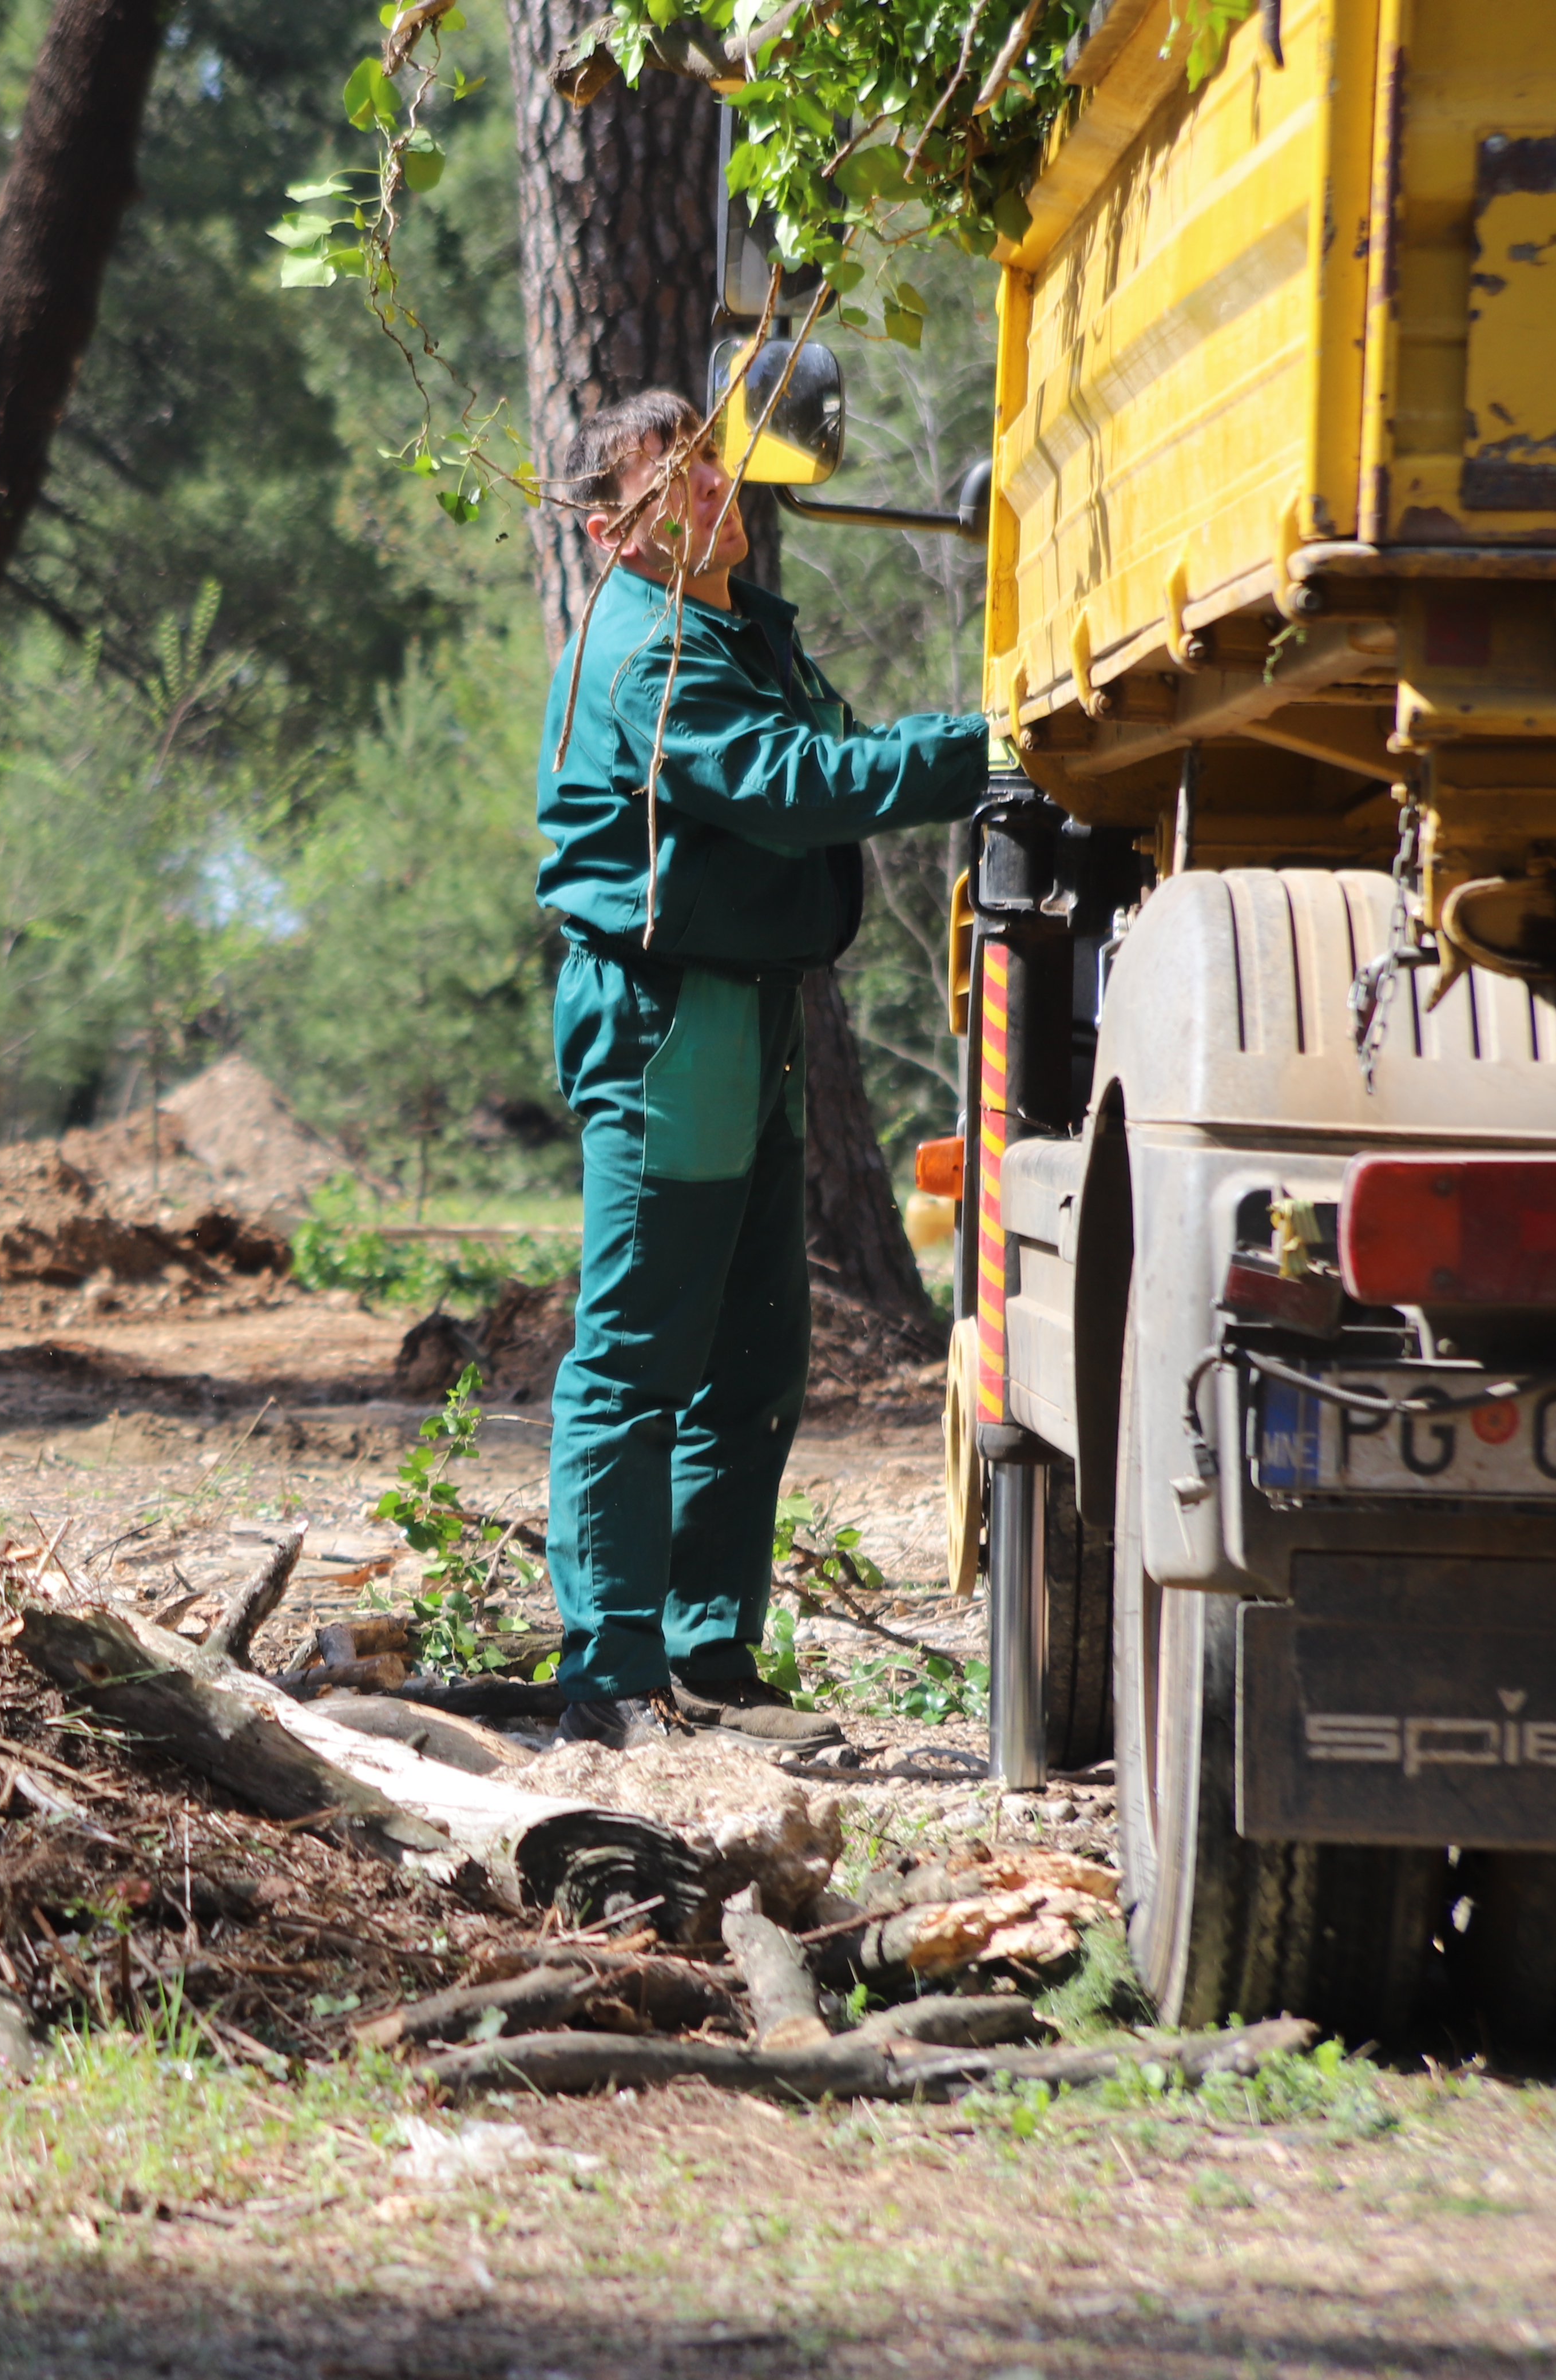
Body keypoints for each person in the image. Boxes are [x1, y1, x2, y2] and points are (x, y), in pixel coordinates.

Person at [534, 388, 991, 1749]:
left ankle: (708, 1654)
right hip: (673, 1021)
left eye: (714, 460)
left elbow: (830, 755)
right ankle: (611, 1673)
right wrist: (989, 749)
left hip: (751, 1021)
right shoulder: (647, 657)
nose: (714, 487)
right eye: (675, 474)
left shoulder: (733, 631)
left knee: (752, 1354)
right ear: (613, 530)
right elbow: (796, 782)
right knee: (636, 1356)